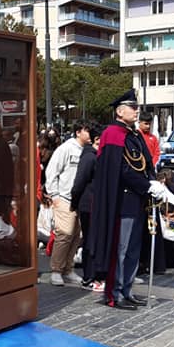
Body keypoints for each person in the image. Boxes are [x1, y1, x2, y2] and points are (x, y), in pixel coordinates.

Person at [87, 89, 174, 311]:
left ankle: (126, 289)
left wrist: (152, 184)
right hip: (122, 201)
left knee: (133, 249)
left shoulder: (133, 135)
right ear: (119, 111)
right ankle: (115, 293)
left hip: (137, 200)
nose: (136, 111)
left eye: (136, 107)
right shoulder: (113, 134)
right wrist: (147, 186)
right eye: (132, 108)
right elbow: (123, 170)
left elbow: (143, 164)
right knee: (122, 249)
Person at [44, 120, 90, 287]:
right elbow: (52, 171)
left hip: (79, 199)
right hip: (64, 198)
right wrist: (54, 195)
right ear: (78, 132)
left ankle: (68, 269)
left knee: (76, 235)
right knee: (64, 234)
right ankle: (56, 270)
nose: (90, 134)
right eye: (87, 130)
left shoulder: (87, 150)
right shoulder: (65, 149)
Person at [71, 123, 103, 292]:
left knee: (95, 240)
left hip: (95, 204)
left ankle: (96, 275)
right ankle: (88, 277)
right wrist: (74, 203)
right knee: (90, 240)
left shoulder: (97, 155)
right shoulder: (89, 157)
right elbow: (79, 182)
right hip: (88, 204)